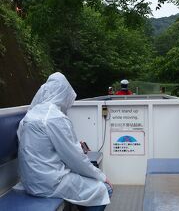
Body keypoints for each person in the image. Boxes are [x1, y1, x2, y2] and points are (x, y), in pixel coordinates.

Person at [17, 72, 112, 211]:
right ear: (63, 94)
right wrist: (102, 176)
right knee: (103, 189)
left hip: (30, 181)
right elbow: (75, 158)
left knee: (86, 186)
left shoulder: (30, 114)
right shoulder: (55, 117)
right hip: (49, 182)